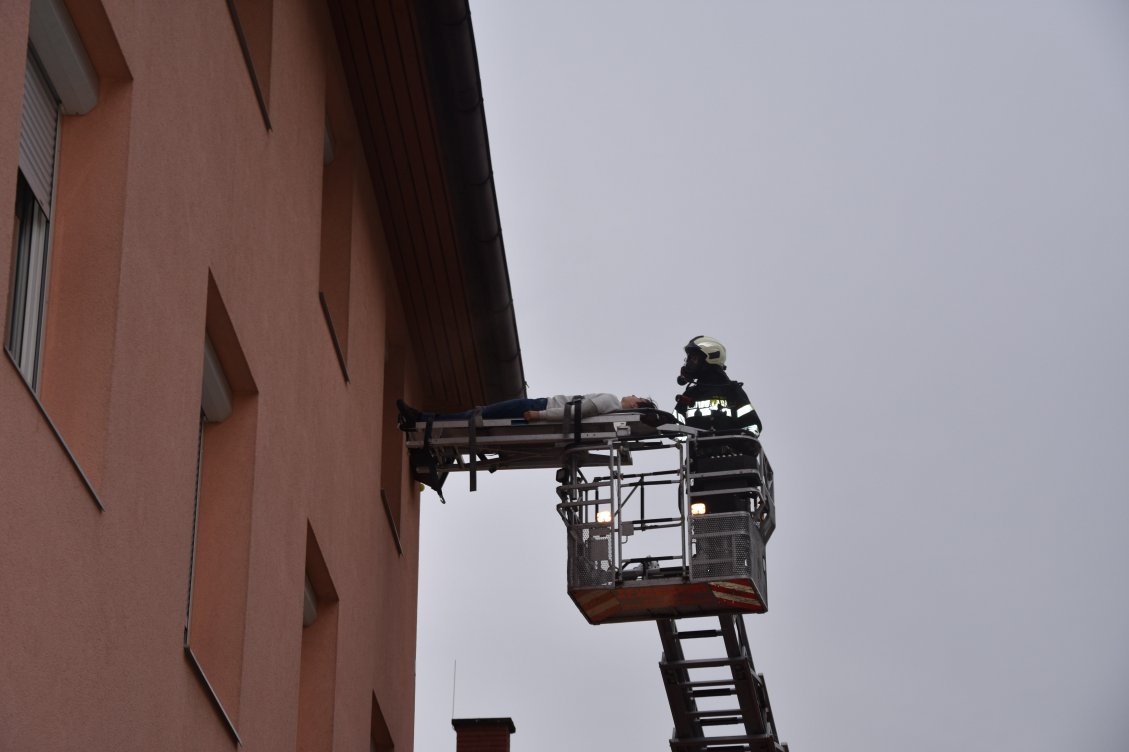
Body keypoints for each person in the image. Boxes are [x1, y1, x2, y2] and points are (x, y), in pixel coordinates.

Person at [674, 335, 762, 435]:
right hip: (698, 450)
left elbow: (753, 426)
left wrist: (740, 442)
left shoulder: (732, 391)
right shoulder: (690, 393)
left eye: (694, 358)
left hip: (730, 450)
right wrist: (657, 420)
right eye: (688, 359)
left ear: (711, 357)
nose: (689, 363)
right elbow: (674, 429)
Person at [397, 393, 655, 426]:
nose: (633, 394)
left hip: (538, 408)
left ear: (635, 406)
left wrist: (540, 414)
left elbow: (575, 412)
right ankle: (424, 419)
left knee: (479, 415)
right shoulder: (609, 412)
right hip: (539, 409)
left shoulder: (609, 401)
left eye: (638, 397)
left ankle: (422, 419)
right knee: (479, 415)